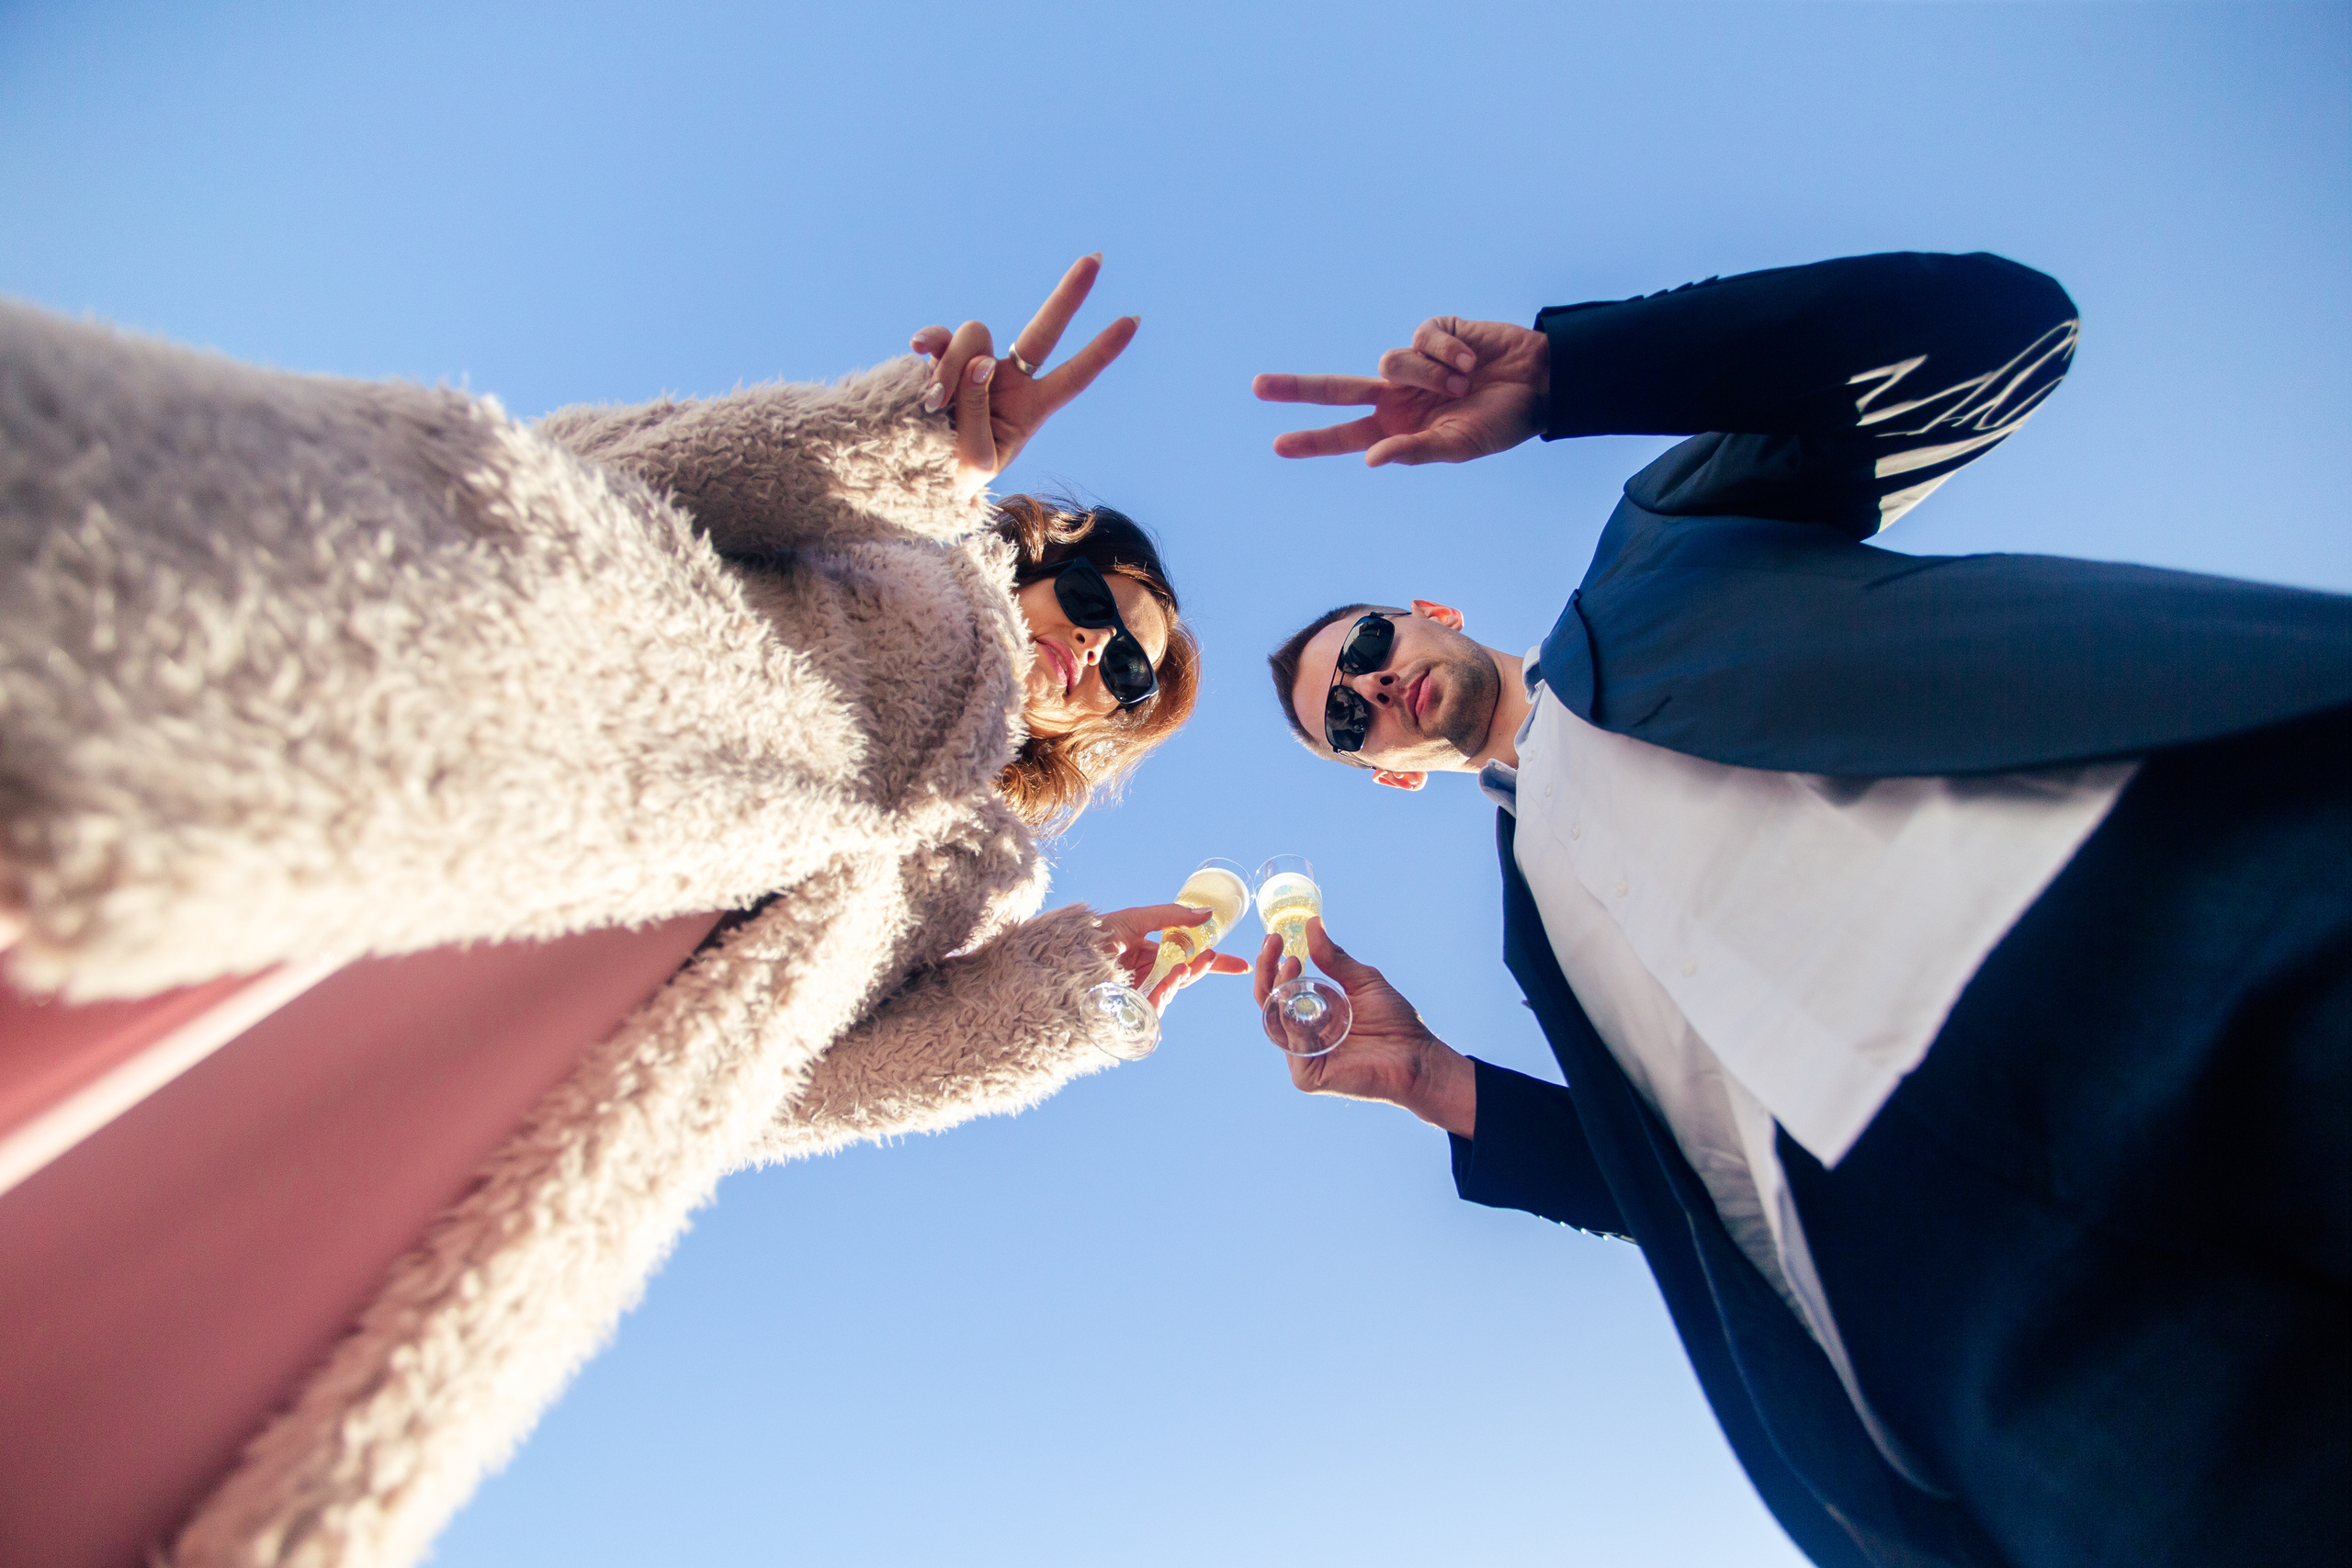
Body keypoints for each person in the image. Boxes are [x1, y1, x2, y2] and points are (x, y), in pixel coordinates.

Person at [0, 255, 1248, 1563]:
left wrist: (1063, 1000)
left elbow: (801, 1087)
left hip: (512, 1059)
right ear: (1051, 560)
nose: (1093, 654)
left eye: (1126, 677)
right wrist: (913, 442)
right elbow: (629, 469)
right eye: (1101, 605)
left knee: (183, 1343)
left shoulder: (987, 874)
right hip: (434, 758)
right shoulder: (905, 554)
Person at [1253, 252, 2350, 1568]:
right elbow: (1670, 1190)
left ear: (1431, 614)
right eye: (1345, 716)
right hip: (1964, 1321)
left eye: (1370, 647)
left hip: (2162, 937)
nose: (1375, 687)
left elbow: (2004, 333)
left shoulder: (1661, 550)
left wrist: (1573, 375)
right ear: (1380, 771)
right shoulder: (1531, 936)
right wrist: (1435, 1080)